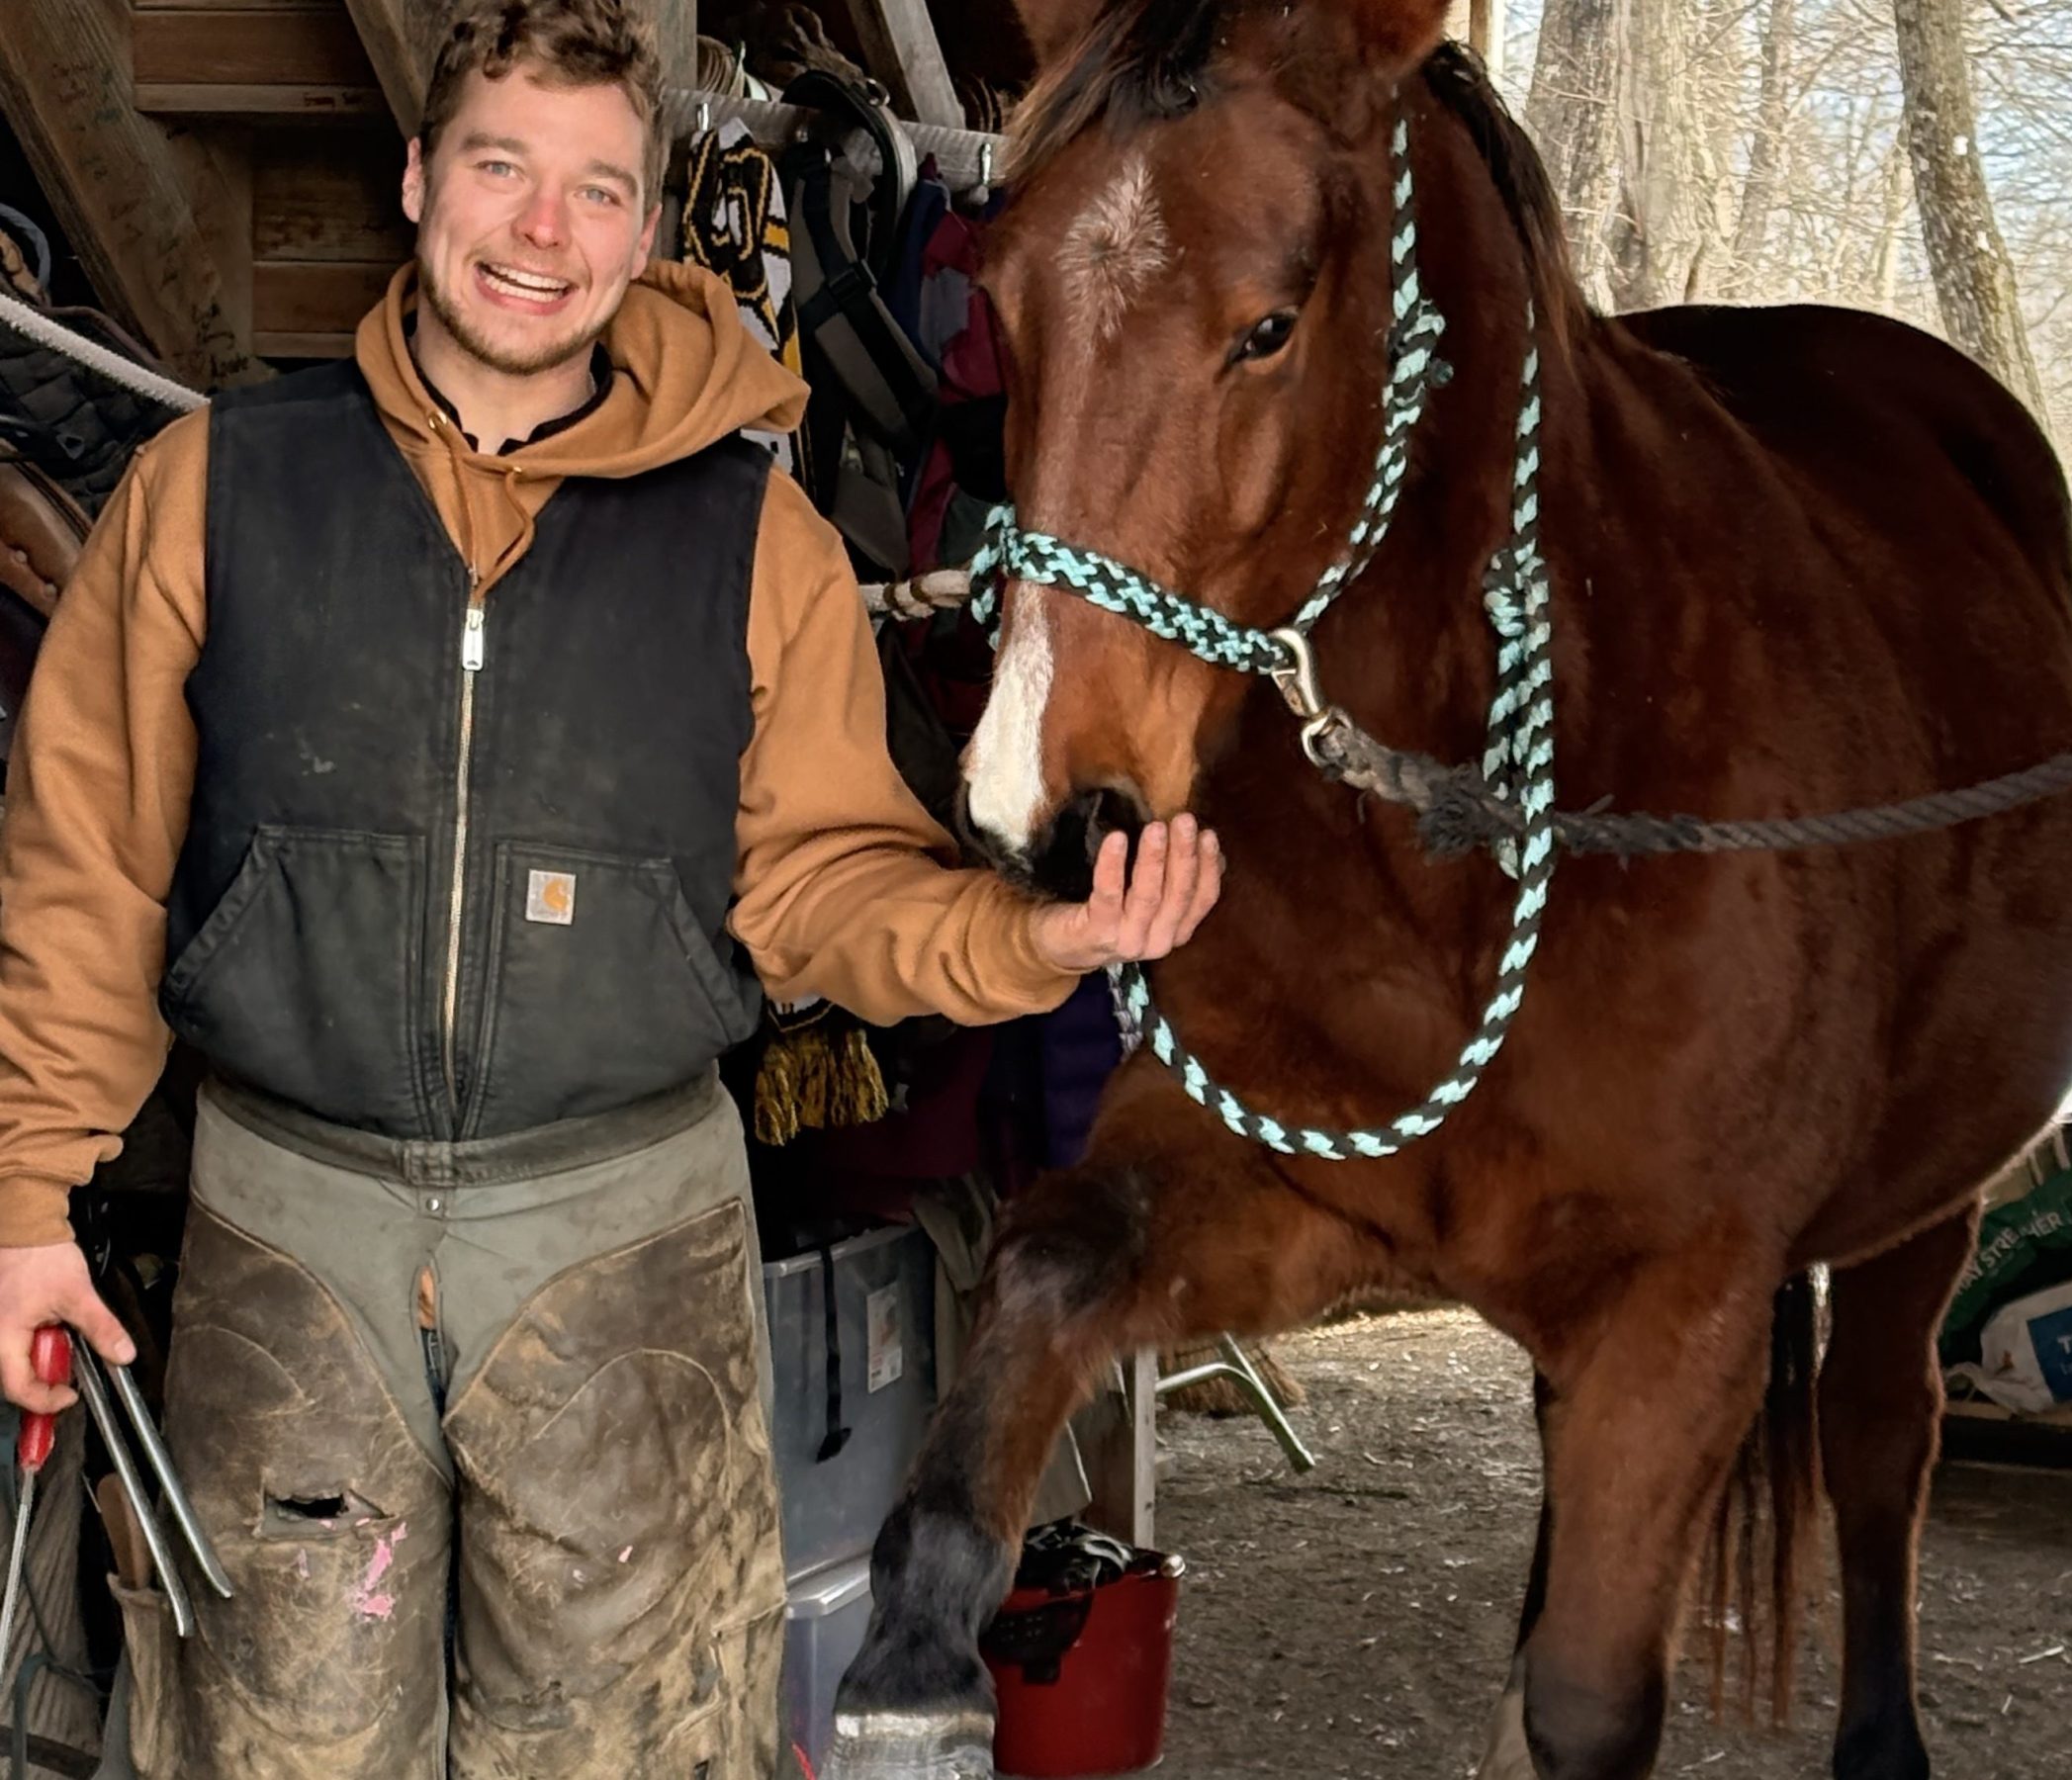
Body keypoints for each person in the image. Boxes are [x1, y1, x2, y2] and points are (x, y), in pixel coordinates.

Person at [0, 2, 1218, 1773]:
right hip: (288, 1243)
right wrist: (28, 1199)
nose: (540, 232)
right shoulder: (217, 491)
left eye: (594, 190)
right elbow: (83, 867)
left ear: (648, 230)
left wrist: (1031, 939)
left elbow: (821, 886)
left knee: (628, 1750)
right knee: (277, 1747)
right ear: (420, 182)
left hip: (624, 1253)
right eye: (501, 168)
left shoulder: (757, 538)